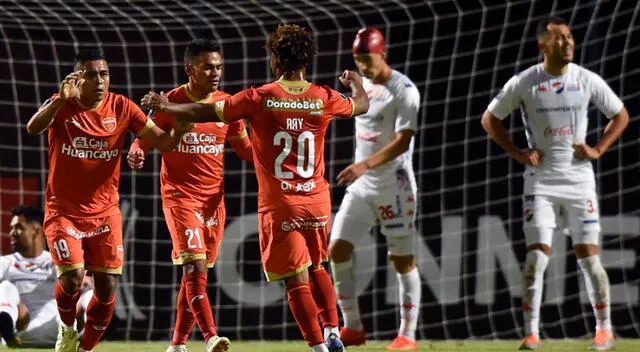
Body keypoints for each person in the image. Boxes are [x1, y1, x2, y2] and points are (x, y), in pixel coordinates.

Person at [141, 24, 369, 352]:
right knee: (318, 265)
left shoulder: (258, 98)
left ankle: (319, 347)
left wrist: (165, 106)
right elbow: (360, 105)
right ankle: (333, 330)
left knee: (295, 278)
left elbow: (203, 110)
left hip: (281, 203)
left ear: (275, 61)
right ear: (307, 61)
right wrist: (358, 84)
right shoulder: (324, 97)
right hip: (317, 200)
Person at [26, 48, 192, 352]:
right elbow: (33, 127)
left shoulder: (123, 107)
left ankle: (85, 349)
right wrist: (60, 101)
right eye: (91, 74)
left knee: (106, 288)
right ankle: (67, 328)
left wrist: (179, 127)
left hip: (105, 213)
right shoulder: (62, 103)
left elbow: (164, 142)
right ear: (77, 78)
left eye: (104, 74)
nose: (99, 80)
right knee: (73, 279)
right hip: (63, 212)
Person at [481, 16, 629, 351]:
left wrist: (599, 148)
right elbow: (490, 118)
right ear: (543, 45)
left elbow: (620, 115)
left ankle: (604, 331)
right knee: (537, 260)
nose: (567, 43)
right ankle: (531, 334)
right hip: (541, 181)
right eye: (559, 38)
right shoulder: (526, 81)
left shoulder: (586, 79)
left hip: (579, 180)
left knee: (590, 260)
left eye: (569, 37)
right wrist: (518, 153)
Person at [127, 38, 253, 352]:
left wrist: (275, 151)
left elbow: (246, 151)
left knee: (198, 274)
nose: (215, 72)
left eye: (219, 67)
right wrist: (136, 150)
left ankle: (177, 344)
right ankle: (211, 336)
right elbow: (147, 136)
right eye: (208, 66)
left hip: (214, 200)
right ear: (190, 69)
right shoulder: (173, 101)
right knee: (193, 267)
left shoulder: (227, 105)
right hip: (179, 197)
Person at [327, 27, 422, 351]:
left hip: (394, 186)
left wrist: (365, 164)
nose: (363, 66)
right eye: (358, 60)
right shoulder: (364, 83)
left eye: (367, 60)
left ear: (383, 53)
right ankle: (353, 327)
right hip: (362, 186)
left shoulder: (404, 90)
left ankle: (407, 335)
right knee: (336, 249)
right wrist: (355, 83)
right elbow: (358, 103)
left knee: (402, 260)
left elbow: (403, 140)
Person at [0, 205, 89, 348]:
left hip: (59, 325)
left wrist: (84, 279)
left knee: (89, 294)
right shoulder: (5, 263)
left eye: (18, 227)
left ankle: (89, 338)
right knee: (5, 287)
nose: (12, 233)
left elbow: (84, 285)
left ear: (37, 231)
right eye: (11, 228)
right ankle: (7, 326)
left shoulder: (58, 261)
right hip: (22, 326)